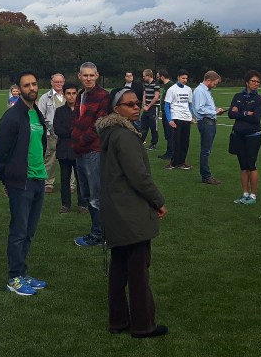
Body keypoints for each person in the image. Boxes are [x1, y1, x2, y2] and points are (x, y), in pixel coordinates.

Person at [99, 88, 168, 339]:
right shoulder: (124, 136)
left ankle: (118, 321)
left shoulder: (111, 133)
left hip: (115, 211)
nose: (136, 107)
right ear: (116, 109)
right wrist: (158, 200)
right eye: (129, 104)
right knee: (138, 271)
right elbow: (139, 177)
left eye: (137, 103)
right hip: (129, 212)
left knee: (119, 268)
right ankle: (142, 325)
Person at [0, 71, 49, 296]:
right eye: (26, 85)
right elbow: (0, 153)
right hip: (21, 182)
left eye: (34, 84)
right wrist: (8, 180)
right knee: (18, 230)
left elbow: (41, 144)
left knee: (29, 231)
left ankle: (23, 272)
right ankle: (14, 277)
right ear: (19, 88)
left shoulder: (35, 113)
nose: (31, 88)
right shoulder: (12, 117)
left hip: (38, 178)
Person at [73, 62, 110, 247]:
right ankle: (98, 231)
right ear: (79, 76)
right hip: (81, 151)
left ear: (97, 76)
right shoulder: (81, 95)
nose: (88, 78)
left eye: (91, 75)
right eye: (85, 75)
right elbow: (76, 121)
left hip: (93, 151)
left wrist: (79, 141)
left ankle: (100, 235)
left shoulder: (103, 96)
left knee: (96, 195)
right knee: (87, 194)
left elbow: (99, 124)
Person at [228, 70, 261, 205]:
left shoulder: (259, 99)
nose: (255, 84)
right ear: (247, 82)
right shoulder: (238, 96)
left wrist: (240, 112)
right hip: (239, 136)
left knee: (251, 165)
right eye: (253, 81)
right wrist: (246, 112)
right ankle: (245, 193)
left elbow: (255, 118)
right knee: (243, 166)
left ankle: (253, 195)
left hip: (253, 136)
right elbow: (231, 114)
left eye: (258, 82)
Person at [192, 70, 225, 185]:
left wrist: (215, 109)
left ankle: (206, 175)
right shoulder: (200, 91)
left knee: (207, 149)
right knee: (205, 150)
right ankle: (206, 176)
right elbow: (200, 108)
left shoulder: (205, 91)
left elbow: (206, 106)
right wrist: (214, 111)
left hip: (209, 121)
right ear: (208, 80)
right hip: (206, 122)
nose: (215, 86)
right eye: (215, 83)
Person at [36, 73, 66, 193]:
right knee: (50, 159)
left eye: (60, 82)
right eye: (56, 82)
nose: (59, 84)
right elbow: (41, 116)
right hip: (51, 134)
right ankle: (48, 183)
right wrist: (49, 129)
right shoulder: (45, 98)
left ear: (64, 82)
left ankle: (71, 184)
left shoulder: (69, 96)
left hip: (68, 134)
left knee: (69, 159)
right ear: (51, 82)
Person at [55, 82, 80, 213]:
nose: (71, 96)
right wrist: (73, 132)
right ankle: (65, 204)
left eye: (74, 93)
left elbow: (84, 128)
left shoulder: (81, 110)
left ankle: (83, 204)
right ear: (64, 95)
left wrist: (72, 131)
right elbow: (57, 129)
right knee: (64, 179)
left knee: (81, 178)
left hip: (78, 150)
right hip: (64, 150)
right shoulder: (59, 111)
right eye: (68, 93)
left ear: (77, 94)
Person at [163, 69, 193, 171]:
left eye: (186, 78)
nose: (185, 80)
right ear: (178, 77)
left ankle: (182, 162)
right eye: (183, 78)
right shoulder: (172, 89)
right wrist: (169, 119)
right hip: (176, 117)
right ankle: (173, 162)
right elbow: (166, 105)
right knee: (176, 141)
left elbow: (189, 104)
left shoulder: (188, 89)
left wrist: (191, 116)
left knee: (185, 141)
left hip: (186, 118)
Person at [140, 69, 161, 149]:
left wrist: (148, 106)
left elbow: (156, 97)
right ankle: (141, 141)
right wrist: (144, 104)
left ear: (149, 76)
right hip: (146, 107)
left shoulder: (156, 84)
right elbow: (144, 94)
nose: (143, 77)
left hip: (153, 107)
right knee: (143, 125)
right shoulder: (145, 84)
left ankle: (153, 143)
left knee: (153, 125)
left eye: (144, 76)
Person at [156, 70, 174, 160]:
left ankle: (171, 153)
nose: (157, 78)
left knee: (170, 134)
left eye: (158, 76)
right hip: (165, 113)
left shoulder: (171, 86)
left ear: (162, 76)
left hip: (169, 113)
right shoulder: (166, 86)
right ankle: (169, 151)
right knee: (168, 134)